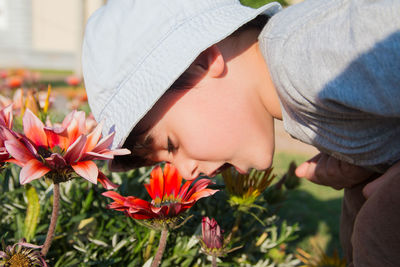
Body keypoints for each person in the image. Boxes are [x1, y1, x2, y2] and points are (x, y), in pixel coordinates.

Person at [82, 0, 400, 266]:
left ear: (204, 63)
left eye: (171, 145)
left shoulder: (307, 55)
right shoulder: (301, 91)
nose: (184, 172)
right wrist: (369, 161)